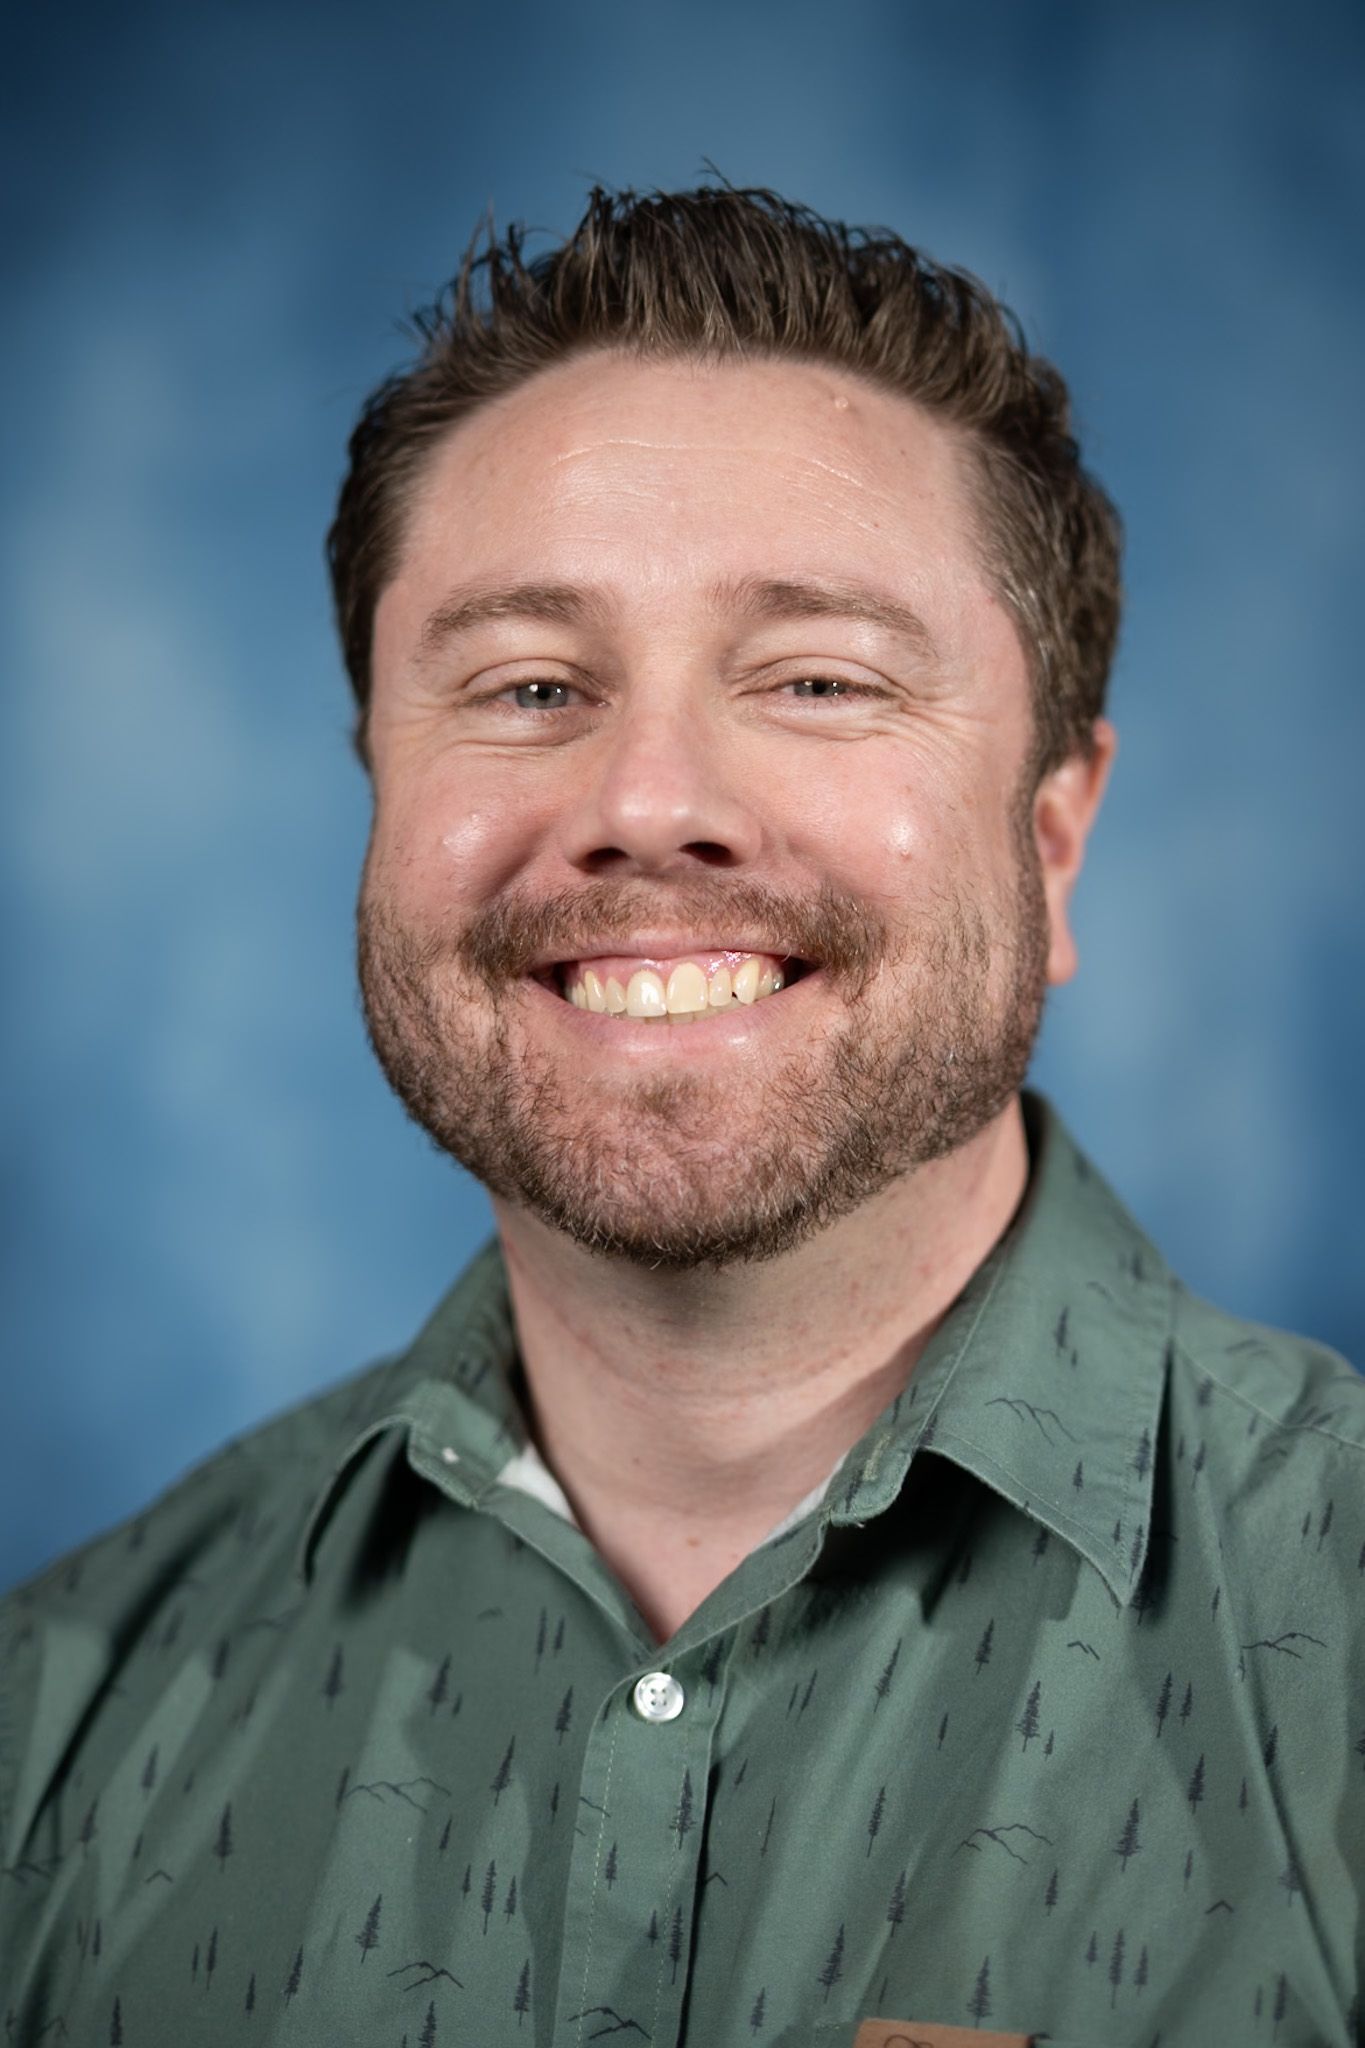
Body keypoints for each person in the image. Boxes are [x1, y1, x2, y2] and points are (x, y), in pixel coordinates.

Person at [1, 179, 1360, 2048]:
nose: (648, 798)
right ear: (379, 801)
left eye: (816, 678)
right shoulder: (52, 1729)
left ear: (1052, 842)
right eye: (528, 684)